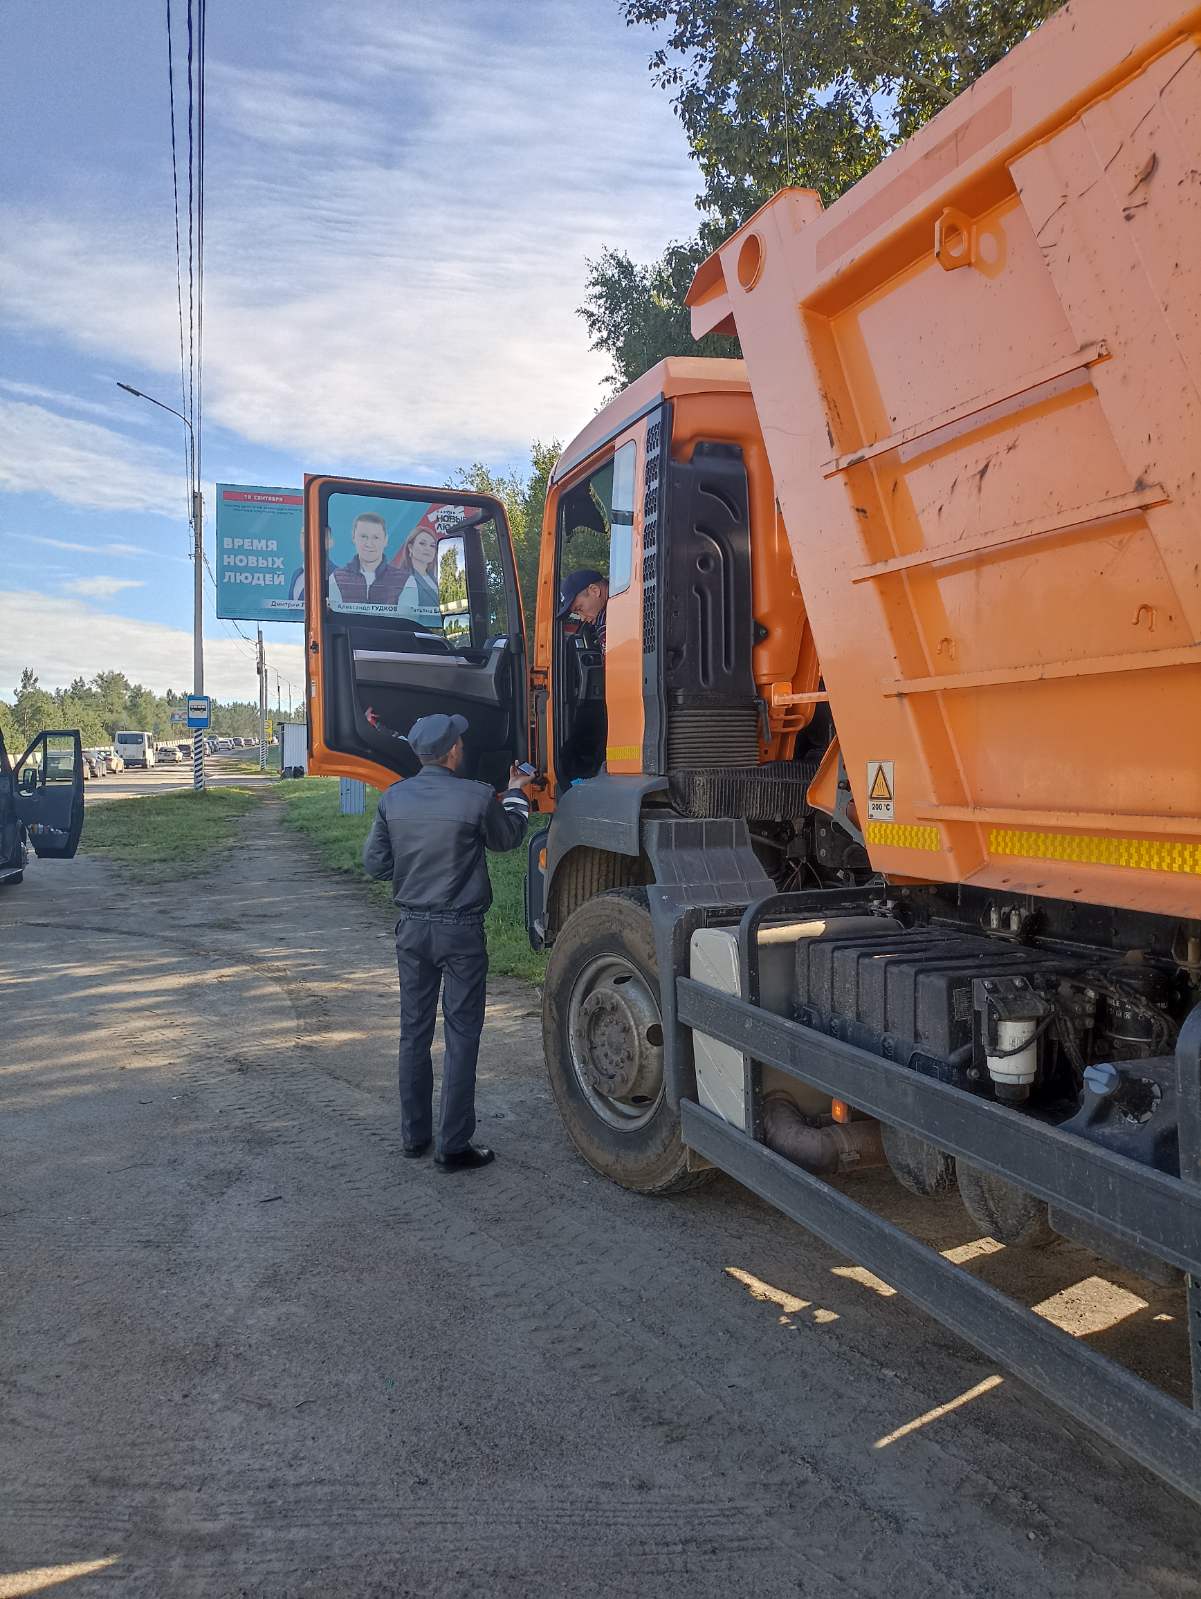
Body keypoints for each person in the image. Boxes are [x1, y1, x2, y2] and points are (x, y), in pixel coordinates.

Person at [362, 713, 535, 1172]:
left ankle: (414, 1136)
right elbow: (509, 838)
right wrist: (516, 792)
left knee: (413, 1033)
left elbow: (375, 865)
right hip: (460, 932)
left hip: (412, 930)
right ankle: (453, 1146)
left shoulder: (393, 798)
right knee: (462, 1036)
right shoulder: (477, 796)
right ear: (453, 750)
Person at [329, 512, 406, 608]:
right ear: (353, 538)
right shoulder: (336, 578)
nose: (369, 544)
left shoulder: (406, 581)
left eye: (376, 537)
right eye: (363, 537)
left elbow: (407, 620)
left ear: (385, 540)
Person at [391, 520, 441, 624]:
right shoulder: (407, 580)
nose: (428, 549)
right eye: (422, 543)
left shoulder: (434, 579)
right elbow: (407, 622)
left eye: (432, 545)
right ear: (410, 548)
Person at [556, 569, 609, 653]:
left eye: (579, 608)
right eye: (577, 613)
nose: (582, 618)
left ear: (594, 590)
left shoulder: (611, 621)